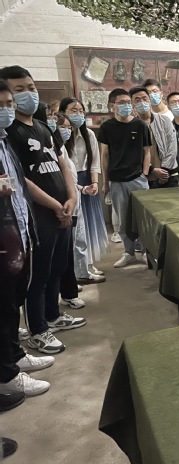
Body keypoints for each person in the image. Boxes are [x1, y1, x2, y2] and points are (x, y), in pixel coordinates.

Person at [1, 65, 85, 354]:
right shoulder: (9, 132)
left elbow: (62, 164)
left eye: (31, 87)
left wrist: (71, 197)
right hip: (39, 213)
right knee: (37, 274)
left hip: (63, 208)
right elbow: (19, 178)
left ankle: (53, 314)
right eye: (19, 90)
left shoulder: (41, 126)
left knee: (58, 267)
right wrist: (54, 205)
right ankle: (38, 329)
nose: (28, 94)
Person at [0, 79, 53, 395]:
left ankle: (15, 357)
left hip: (17, 233)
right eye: (1, 105)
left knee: (11, 304)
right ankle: (7, 376)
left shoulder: (5, 141)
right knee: (3, 307)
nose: (6, 110)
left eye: (9, 104)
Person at [98, 88, 151, 268]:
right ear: (112, 105)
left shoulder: (140, 125)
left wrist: (144, 174)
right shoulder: (106, 127)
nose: (126, 106)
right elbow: (105, 155)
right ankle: (129, 252)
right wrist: (105, 182)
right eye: (122, 103)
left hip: (137, 179)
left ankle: (145, 251)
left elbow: (147, 151)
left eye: (128, 103)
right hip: (117, 180)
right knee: (122, 220)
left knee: (142, 217)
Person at [59, 97, 109, 277]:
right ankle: (76, 267)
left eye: (81, 111)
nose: (78, 114)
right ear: (63, 112)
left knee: (89, 225)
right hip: (70, 183)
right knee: (76, 228)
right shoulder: (60, 135)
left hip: (87, 181)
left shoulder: (89, 134)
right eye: (73, 111)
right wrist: (78, 186)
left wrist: (95, 183)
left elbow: (94, 162)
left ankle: (87, 263)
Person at [129, 87, 178, 188]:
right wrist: (152, 170)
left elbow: (172, 146)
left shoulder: (164, 120)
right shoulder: (131, 126)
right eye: (137, 100)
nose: (142, 102)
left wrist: (164, 171)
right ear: (132, 104)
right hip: (144, 177)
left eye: (144, 98)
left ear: (150, 100)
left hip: (168, 175)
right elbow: (133, 153)